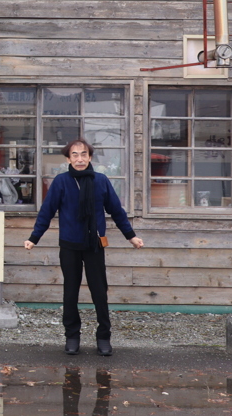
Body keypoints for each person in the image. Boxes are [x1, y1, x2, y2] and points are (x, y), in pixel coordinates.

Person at [24, 139, 144, 356]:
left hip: (94, 245)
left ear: (90, 157)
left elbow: (116, 211)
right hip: (69, 245)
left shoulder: (101, 181)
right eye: (75, 155)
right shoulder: (61, 182)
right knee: (70, 291)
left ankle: (104, 336)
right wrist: (34, 237)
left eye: (83, 154)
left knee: (99, 292)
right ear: (68, 159)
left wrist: (131, 236)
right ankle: (72, 335)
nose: (79, 159)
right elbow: (47, 212)